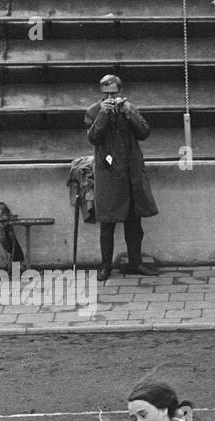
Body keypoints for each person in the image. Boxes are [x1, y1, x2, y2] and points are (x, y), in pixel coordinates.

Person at [85, 74, 159, 282]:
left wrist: (129, 114)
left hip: (130, 171)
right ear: (101, 93)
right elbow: (93, 137)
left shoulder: (130, 108)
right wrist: (103, 115)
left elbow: (144, 132)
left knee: (134, 221)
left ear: (121, 92)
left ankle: (136, 262)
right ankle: (105, 266)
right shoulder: (93, 111)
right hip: (108, 173)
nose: (111, 97)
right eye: (107, 94)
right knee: (107, 222)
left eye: (115, 93)